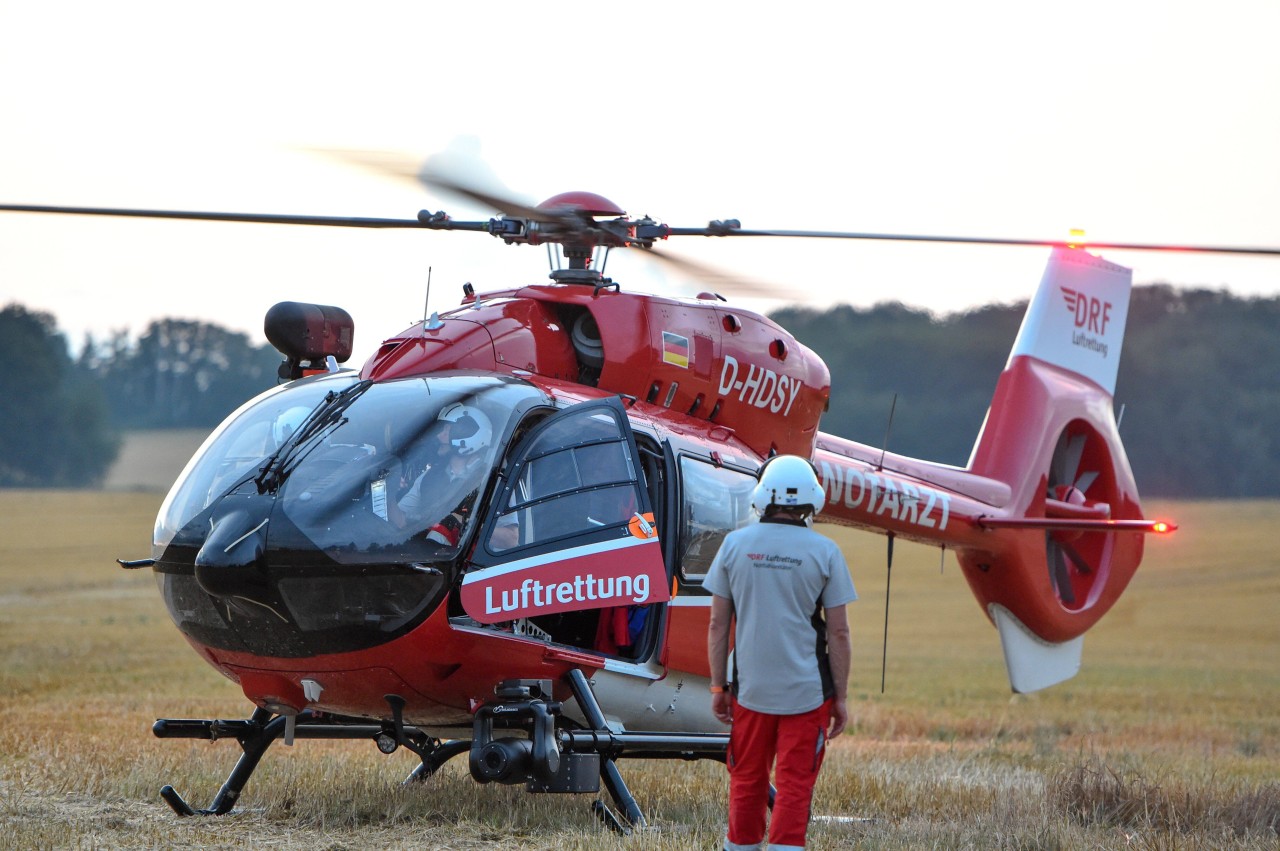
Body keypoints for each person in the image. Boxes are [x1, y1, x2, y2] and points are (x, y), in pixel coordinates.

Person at [704, 455, 856, 851]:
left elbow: (719, 624)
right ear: (812, 499)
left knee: (747, 779)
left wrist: (719, 687)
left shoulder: (734, 545)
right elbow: (838, 632)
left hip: (750, 692)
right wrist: (839, 698)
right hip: (806, 696)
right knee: (794, 785)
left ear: (763, 496)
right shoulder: (826, 552)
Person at [391, 403, 493, 545]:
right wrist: (387, 495)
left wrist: (461, 523)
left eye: (448, 431)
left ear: (469, 436)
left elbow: (510, 539)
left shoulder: (491, 480)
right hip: (426, 558)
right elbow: (400, 522)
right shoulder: (429, 476)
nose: (439, 436)